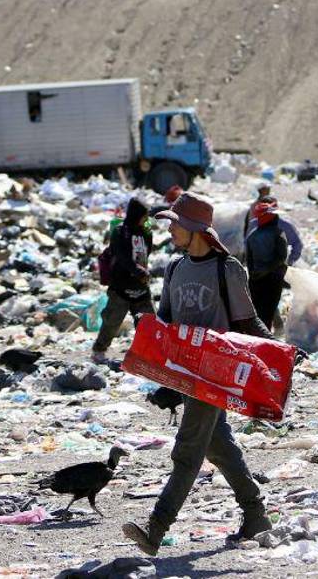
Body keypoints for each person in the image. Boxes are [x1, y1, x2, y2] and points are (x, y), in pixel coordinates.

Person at [123, 192, 274, 555]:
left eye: (175, 224)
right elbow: (168, 323)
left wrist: (278, 352)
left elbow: (247, 321)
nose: (170, 230)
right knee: (218, 447)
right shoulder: (175, 268)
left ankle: (155, 528)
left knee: (187, 452)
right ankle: (256, 515)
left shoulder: (227, 270)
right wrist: (160, 375)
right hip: (186, 374)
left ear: (194, 229)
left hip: (215, 375)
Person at [91, 198, 155, 363]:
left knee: (148, 323)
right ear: (136, 215)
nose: (146, 219)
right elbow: (121, 257)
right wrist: (137, 270)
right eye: (143, 216)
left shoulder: (146, 233)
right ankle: (99, 350)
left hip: (141, 287)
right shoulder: (120, 232)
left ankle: (149, 355)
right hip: (121, 287)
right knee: (112, 322)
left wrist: (142, 272)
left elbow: (147, 254)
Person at [244, 201, 290, 329]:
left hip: (255, 282)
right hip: (273, 281)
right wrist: (267, 271)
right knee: (268, 315)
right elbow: (281, 257)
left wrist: (255, 276)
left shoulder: (252, 236)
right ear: (272, 218)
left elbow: (249, 262)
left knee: (258, 316)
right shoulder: (278, 233)